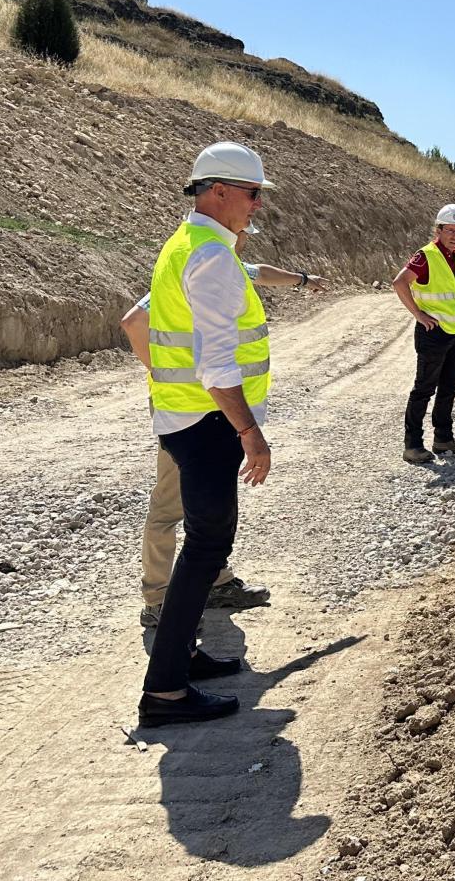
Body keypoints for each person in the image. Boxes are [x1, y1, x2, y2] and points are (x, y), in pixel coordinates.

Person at [138, 140, 279, 728]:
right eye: (252, 194)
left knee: (204, 547)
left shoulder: (187, 244)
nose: (257, 206)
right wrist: (251, 433)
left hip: (183, 419)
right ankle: (165, 692)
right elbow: (219, 366)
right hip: (209, 423)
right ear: (218, 190)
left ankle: (183, 660)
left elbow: (138, 324)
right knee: (206, 546)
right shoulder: (213, 258)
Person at [122, 251, 327, 629]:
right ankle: (157, 600)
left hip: (214, 407)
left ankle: (214, 581)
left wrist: (301, 279)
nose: (244, 235)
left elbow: (261, 272)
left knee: (211, 500)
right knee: (170, 503)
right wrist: (165, 373)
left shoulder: (226, 267)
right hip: (185, 408)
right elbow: (134, 321)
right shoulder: (194, 270)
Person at [392, 204, 455, 464]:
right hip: (433, 333)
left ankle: (443, 439)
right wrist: (419, 315)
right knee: (424, 389)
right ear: (438, 230)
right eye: (450, 230)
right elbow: (399, 282)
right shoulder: (425, 255)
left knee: (449, 388)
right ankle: (413, 445)